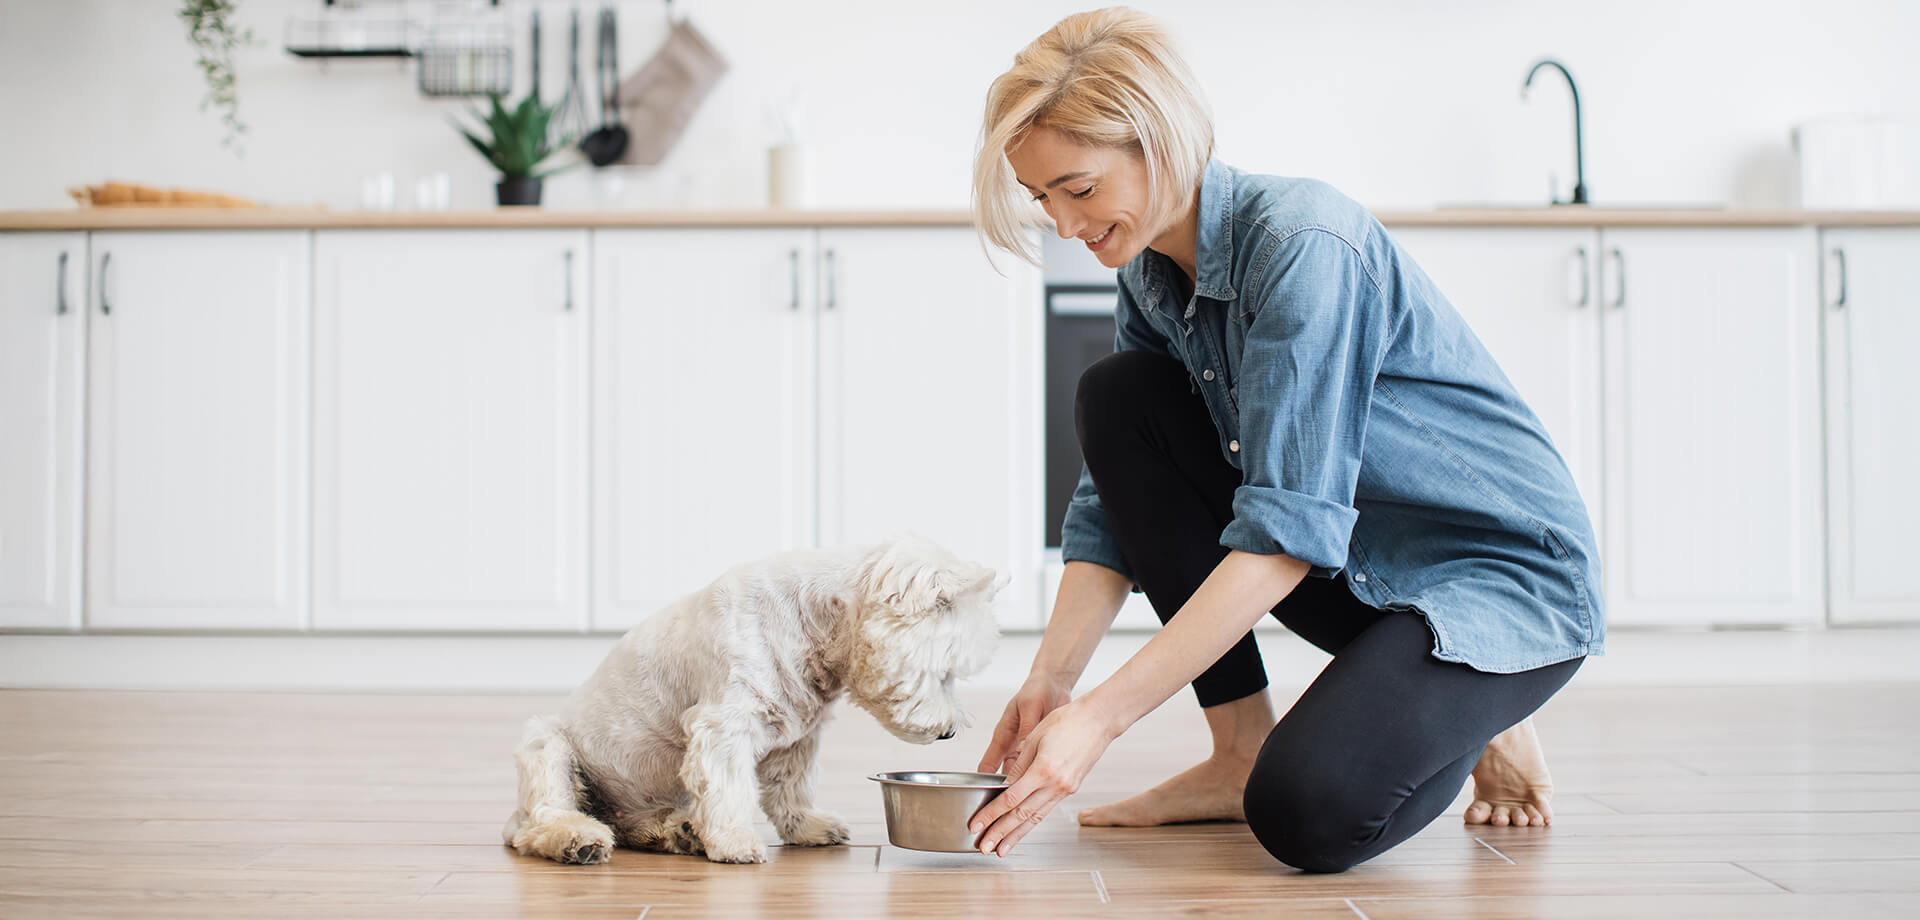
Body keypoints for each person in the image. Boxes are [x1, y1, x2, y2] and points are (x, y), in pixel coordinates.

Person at [964, 8, 1605, 873]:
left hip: (1499, 578)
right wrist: (1054, 684)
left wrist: (1103, 721)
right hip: (1361, 564)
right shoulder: (1152, 268)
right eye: (1043, 200)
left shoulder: (1303, 244)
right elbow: (1111, 502)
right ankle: (1238, 749)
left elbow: (1285, 533)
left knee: (1306, 812)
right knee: (1117, 398)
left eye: (1078, 189)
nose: (1066, 226)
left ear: (1158, 140)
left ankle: (1483, 691)